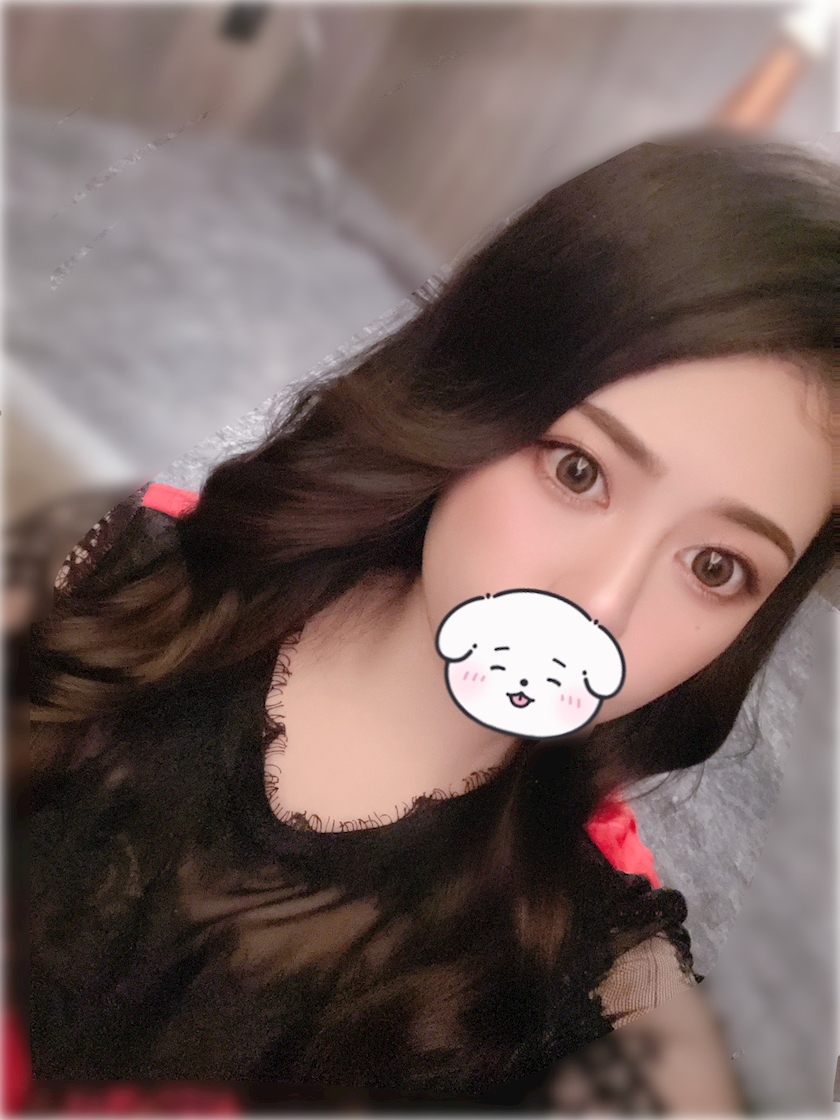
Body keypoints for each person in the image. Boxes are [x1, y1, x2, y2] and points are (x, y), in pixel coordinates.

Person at [28, 131, 835, 1110]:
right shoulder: (101, 574)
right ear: (475, 397)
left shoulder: (587, 985)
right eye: (578, 470)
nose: (601, 606)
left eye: (716, 567)